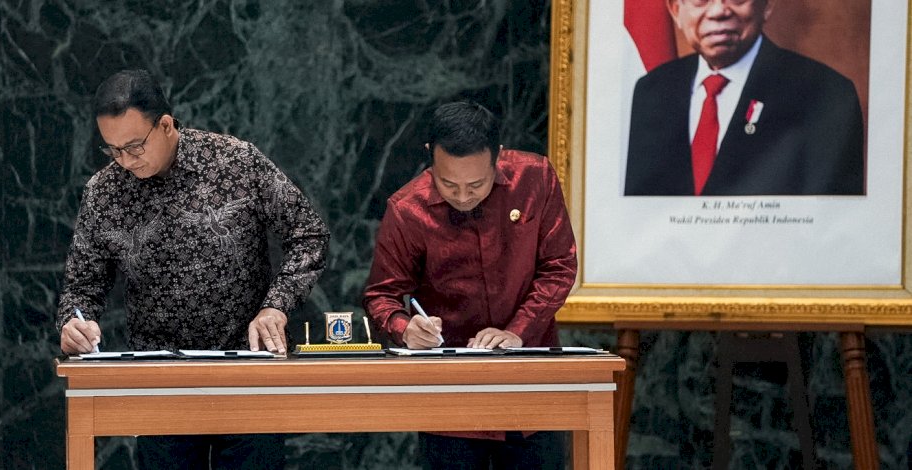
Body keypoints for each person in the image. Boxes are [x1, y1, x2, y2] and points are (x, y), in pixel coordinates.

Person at [55, 69, 329, 469]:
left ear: (165, 124)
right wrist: (73, 322)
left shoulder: (234, 161)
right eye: (112, 150)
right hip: (159, 377)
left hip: (247, 367)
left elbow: (309, 234)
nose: (125, 162)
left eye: (134, 147)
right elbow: (82, 286)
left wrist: (277, 305)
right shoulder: (104, 192)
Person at [363, 101, 577, 470]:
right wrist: (405, 328)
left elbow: (560, 266)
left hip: (529, 383)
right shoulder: (407, 209)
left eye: (476, 184)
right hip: (450, 395)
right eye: (448, 183)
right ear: (430, 156)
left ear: (498, 155)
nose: (463, 196)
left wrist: (517, 332)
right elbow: (381, 295)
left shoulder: (535, 179)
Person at [624, 0, 865, 196]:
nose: (718, 11)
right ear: (676, 11)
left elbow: (830, 226)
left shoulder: (826, 96)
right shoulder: (651, 92)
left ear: (767, 5)